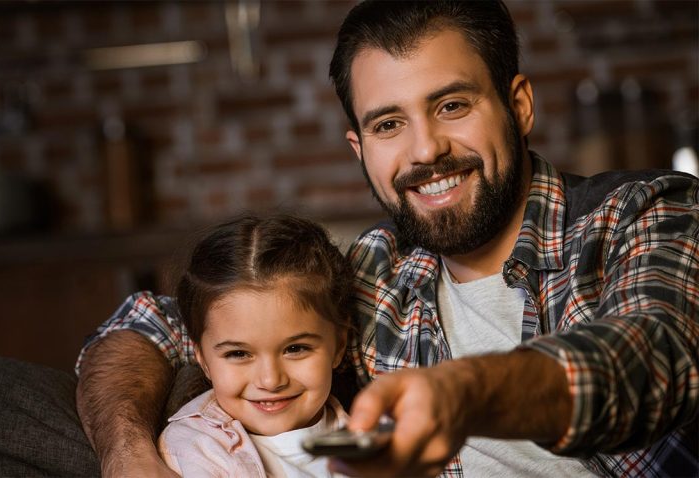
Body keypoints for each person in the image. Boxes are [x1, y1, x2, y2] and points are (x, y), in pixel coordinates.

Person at [75, 1, 699, 477]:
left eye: (452, 105)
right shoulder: (378, 271)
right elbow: (159, 321)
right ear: (360, 148)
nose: (425, 150)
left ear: (520, 105)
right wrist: (127, 451)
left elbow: (649, 360)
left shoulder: (643, 215)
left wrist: (466, 392)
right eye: (389, 123)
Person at [157, 214, 356, 477]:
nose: (271, 380)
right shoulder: (194, 451)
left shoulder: (373, 441)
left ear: (339, 345)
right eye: (238, 353)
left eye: (295, 349)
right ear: (204, 360)